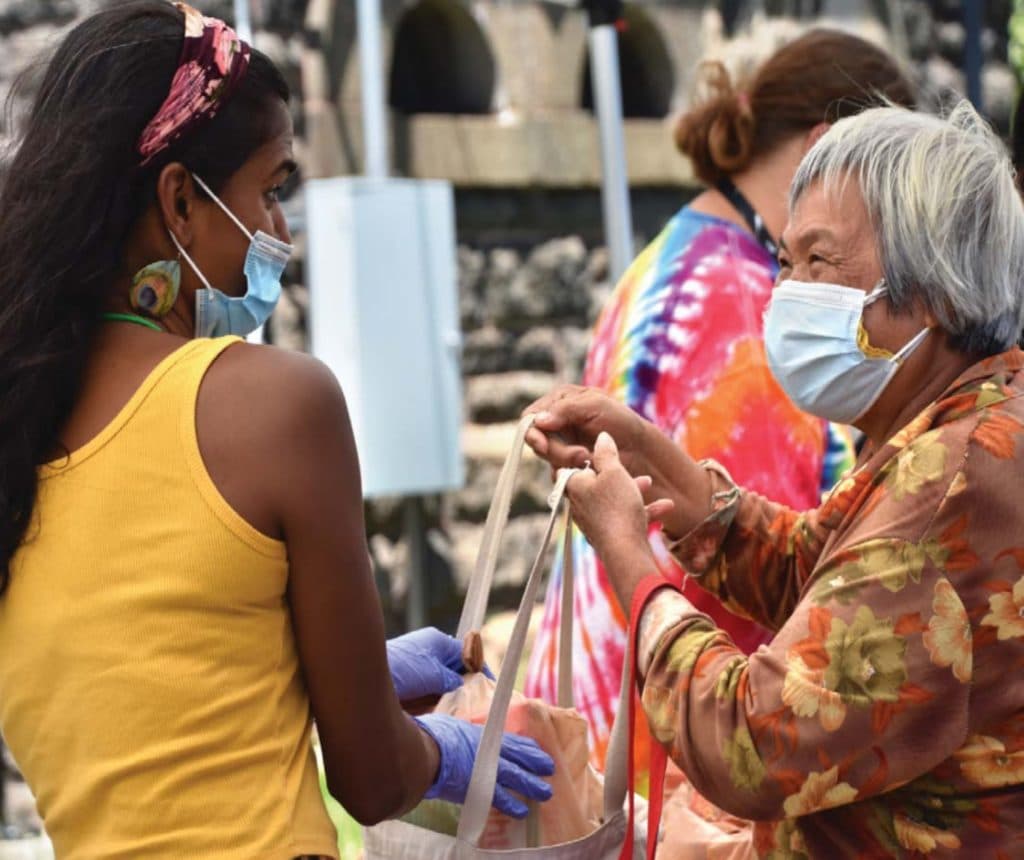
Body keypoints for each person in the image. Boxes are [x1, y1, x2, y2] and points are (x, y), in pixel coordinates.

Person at [0, 4, 553, 858]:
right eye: (271, 189)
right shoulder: (275, 405)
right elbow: (369, 779)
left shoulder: (19, 428)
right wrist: (436, 750)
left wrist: (320, 672)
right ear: (181, 200)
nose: (280, 232)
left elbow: (155, 688)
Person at [525, 99, 1024, 855]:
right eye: (786, 262)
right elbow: (825, 575)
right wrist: (662, 466)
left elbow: (751, 743)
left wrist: (630, 562)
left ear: (940, 291)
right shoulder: (968, 421)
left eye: (820, 263)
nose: (787, 294)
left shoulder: (954, 473)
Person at [524, 28, 916, 784]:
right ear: (828, 150)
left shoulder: (688, 252)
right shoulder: (741, 310)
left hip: (628, 724)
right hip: (678, 760)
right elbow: (776, 607)